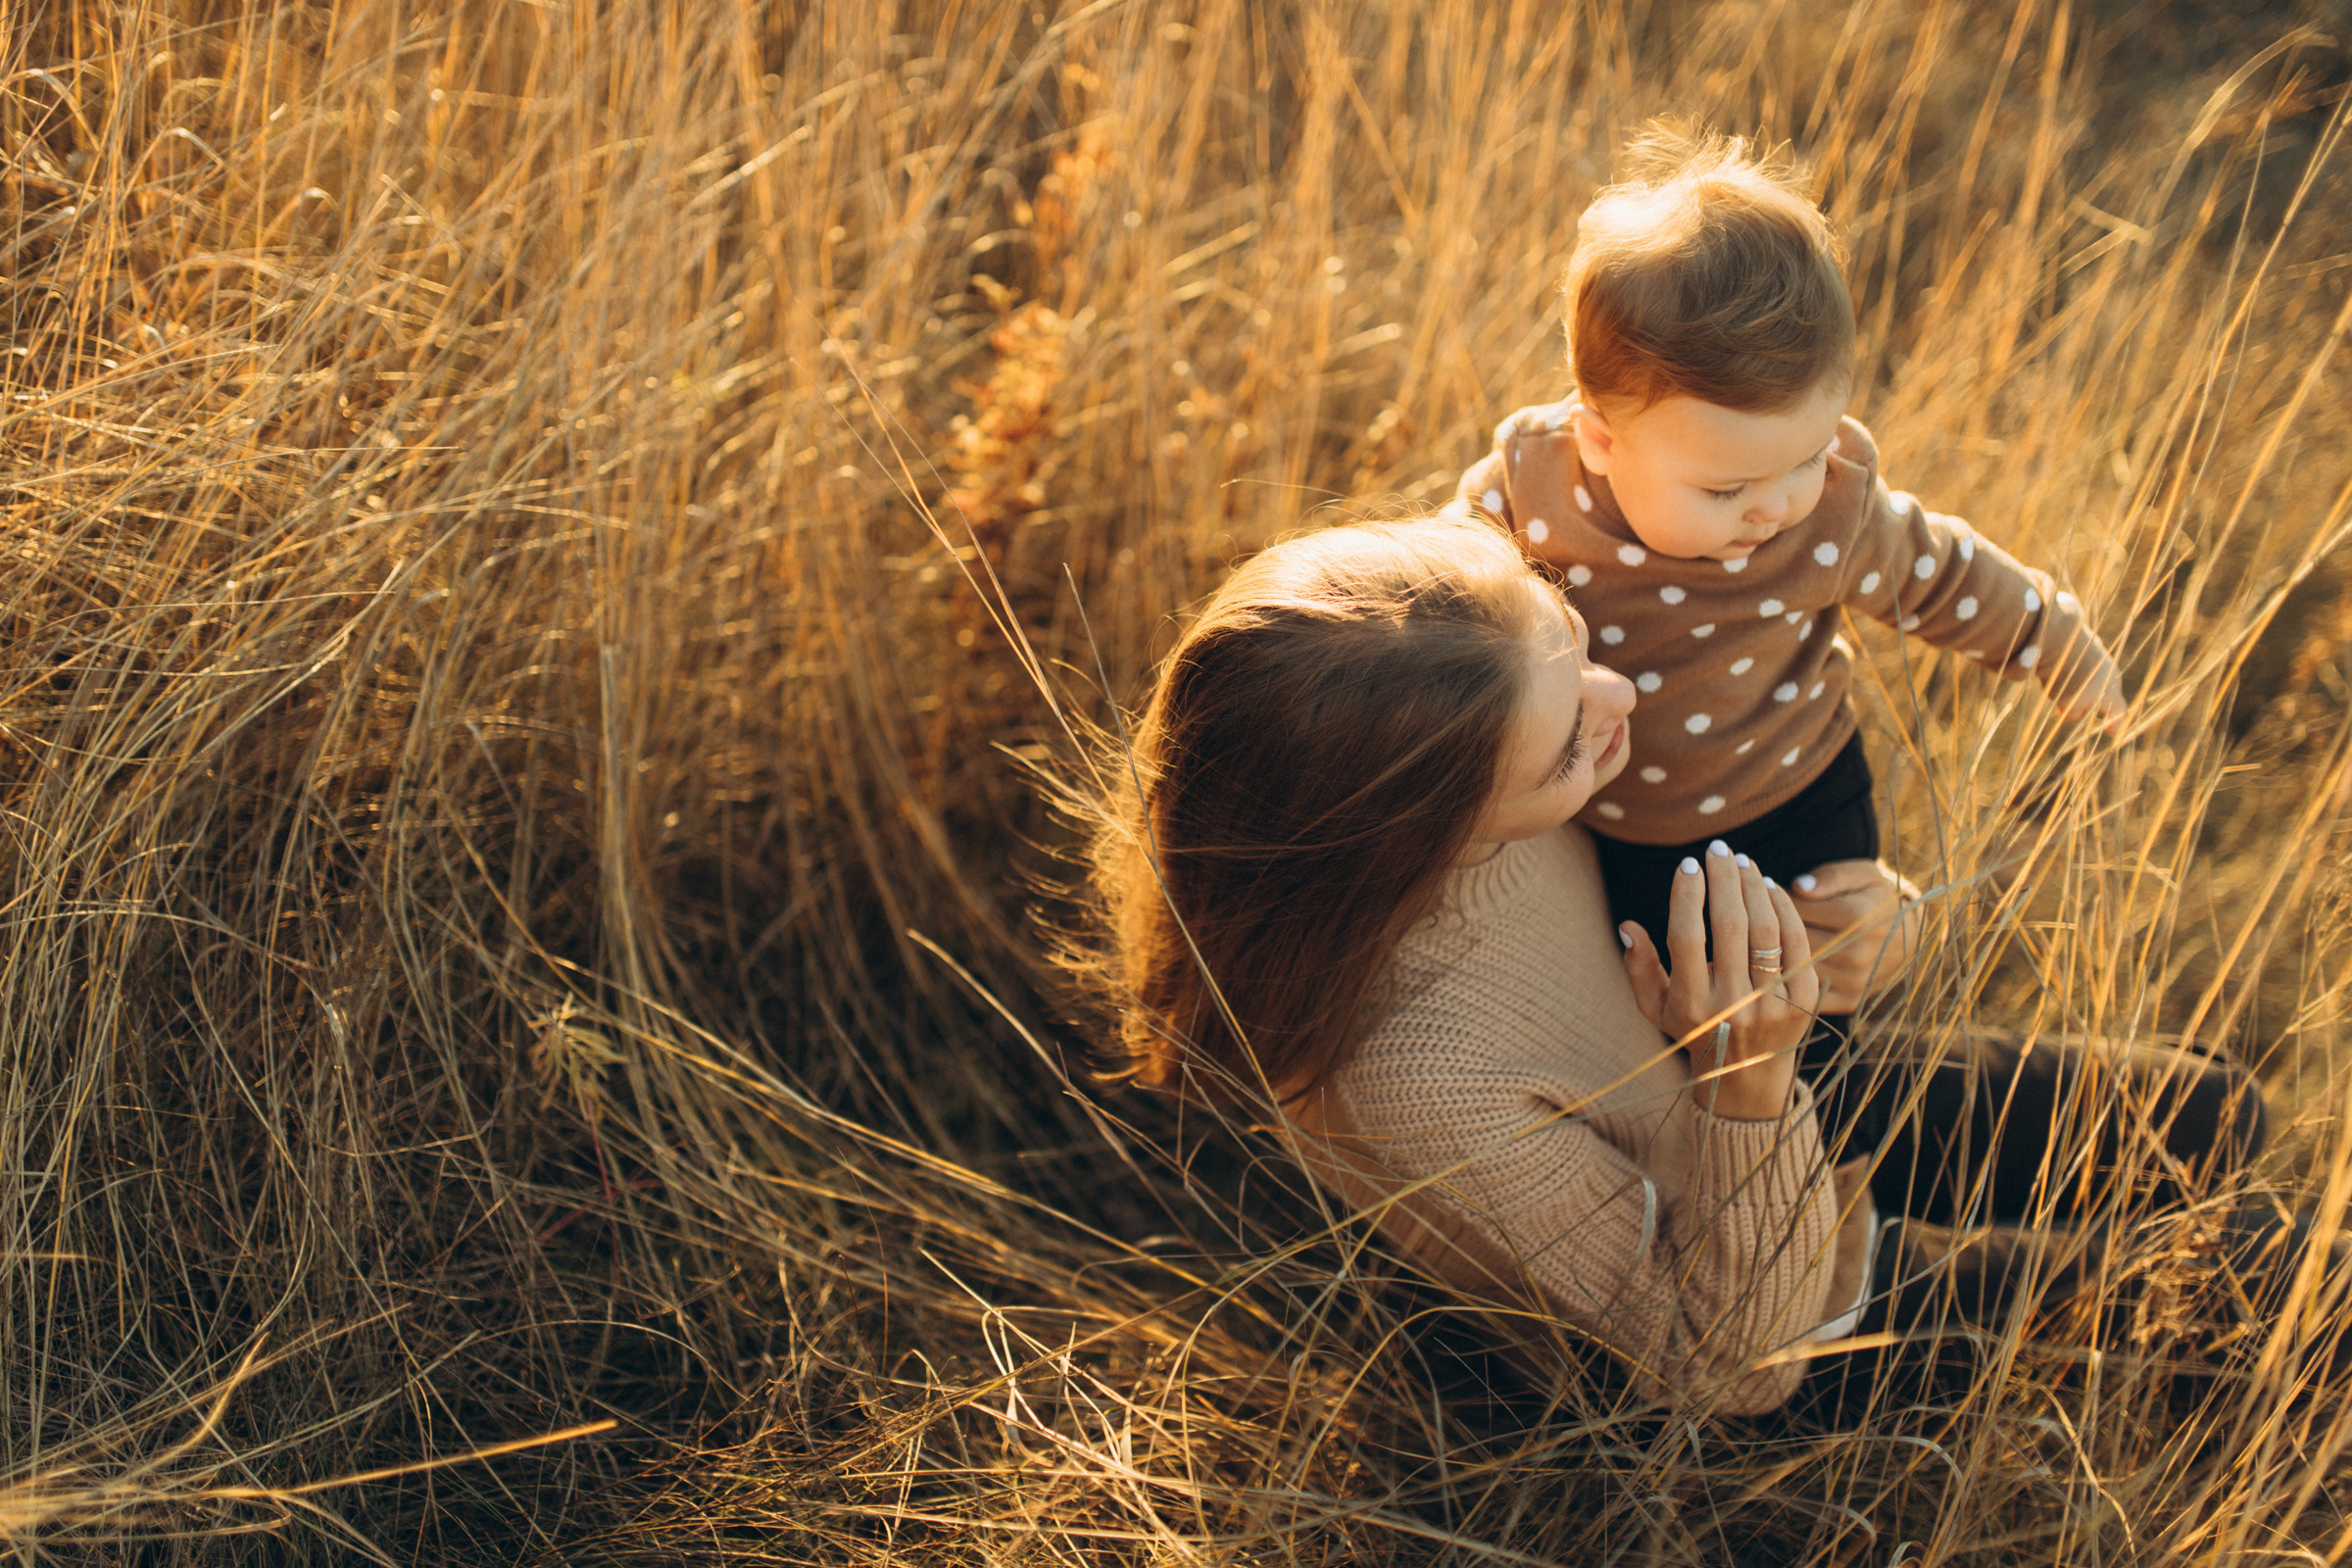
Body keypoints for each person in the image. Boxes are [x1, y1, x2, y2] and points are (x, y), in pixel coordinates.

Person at [1071, 514, 2282, 1419]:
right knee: (2265, 1274)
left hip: (1792, 1091)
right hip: (1780, 1296)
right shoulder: (1419, 1077)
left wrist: (1873, 931)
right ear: (1422, 833)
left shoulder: (1476, 707)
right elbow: (1730, 1366)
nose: (1621, 695)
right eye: (1564, 743)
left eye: (1578, 638)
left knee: (2219, 1112)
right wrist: (1745, 1082)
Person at [1443, 130, 2126, 958]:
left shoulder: (1830, 510)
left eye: (1805, 457)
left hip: (1800, 797)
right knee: (1674, 1002)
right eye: (1725, 490)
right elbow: (1442, 590)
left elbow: (1942, 574)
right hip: (1610, 825)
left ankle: (1825, 1067)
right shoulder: (1531, 491)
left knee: (1818, 975)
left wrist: (2058, 645)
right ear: (1601, 441)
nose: (1776, 507)